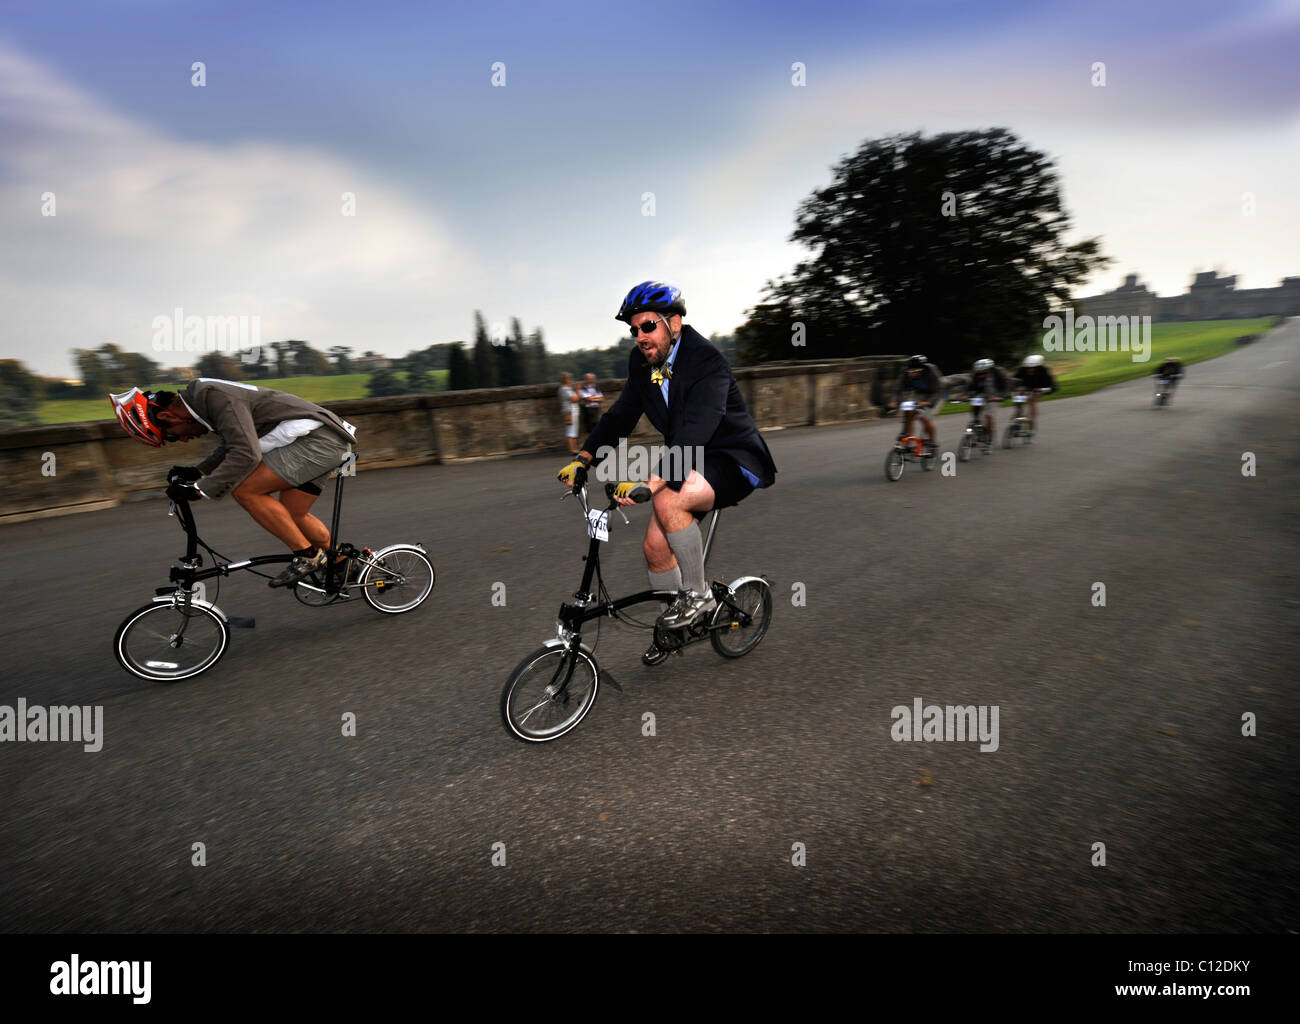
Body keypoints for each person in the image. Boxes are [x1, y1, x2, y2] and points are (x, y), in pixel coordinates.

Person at [556, 280, 777, 665]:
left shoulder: (706, 361)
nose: (640, 336)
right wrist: (585, 457)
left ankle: (699, 595)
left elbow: (696, 430)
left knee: (670, 498)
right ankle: (676, 626)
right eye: (634, 329)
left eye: (648, 326)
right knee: (655, 549)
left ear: (673, 322)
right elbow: (621, 416)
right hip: (689, 459)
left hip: (731, 459)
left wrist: (649, 482)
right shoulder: (641, 364)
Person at [110, 378, 357, 588]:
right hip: (324, 438)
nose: (182, 440)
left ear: (167, 415)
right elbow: (234, 442)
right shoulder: (204, 400)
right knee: (293, 514)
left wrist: (200, 491)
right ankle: (342, 562)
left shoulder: (213, 398)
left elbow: (246, 453)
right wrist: (197, 471)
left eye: (172, 436)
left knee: (246, 492)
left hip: (318, 441)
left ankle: (307, 556)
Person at [889, 355, 944, 452]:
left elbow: (938, 390)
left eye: (915, 372)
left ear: (922, 369)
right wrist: (894, 401)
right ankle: (907, 438)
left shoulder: (931, 370)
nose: (911, 374)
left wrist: (928, 402)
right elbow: (897, 389)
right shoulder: (905, 372)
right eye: (910, 371)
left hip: (934, 395)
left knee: (923, 417)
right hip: (918, 393)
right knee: (908, 410)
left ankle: (932, 443)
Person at [962, 358, 1010, 449]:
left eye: (984, 372)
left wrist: (1000, 396)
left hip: (995, 396)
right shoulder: (975, 374)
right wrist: (965, 395)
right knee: (974, 409)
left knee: (988, 416)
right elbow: (968, 385)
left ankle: (989, 440)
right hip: (982, 394)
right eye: (979, 373)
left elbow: (1005, 388)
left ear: (989, 369)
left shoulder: (998, 374)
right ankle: (977, 427)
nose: (981, 375)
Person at [1013, 354, 1057, 433]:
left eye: (1033, 368)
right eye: (1028, 368)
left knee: (1031, 401)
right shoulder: (1021, 369)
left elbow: (1053, 387)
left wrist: (1042, 389)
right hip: (1025, 388)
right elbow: (1014, 380)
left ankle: (1031, 420)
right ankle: (1019, 415)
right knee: (1018, 398)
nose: (1030, 369)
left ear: (1038, 366)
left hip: (1039, 389)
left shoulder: (1045, 370)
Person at [558, 373, 580, 453]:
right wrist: (578, 390)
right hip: (569, 412)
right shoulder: (564, 389)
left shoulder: (568, 388)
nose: (571, 380)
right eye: (569, 379)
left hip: (573, 411)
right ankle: (572, 449)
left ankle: (575, 448)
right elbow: (574, 399)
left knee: (574, 430)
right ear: (565, 380)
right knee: (570, 430)